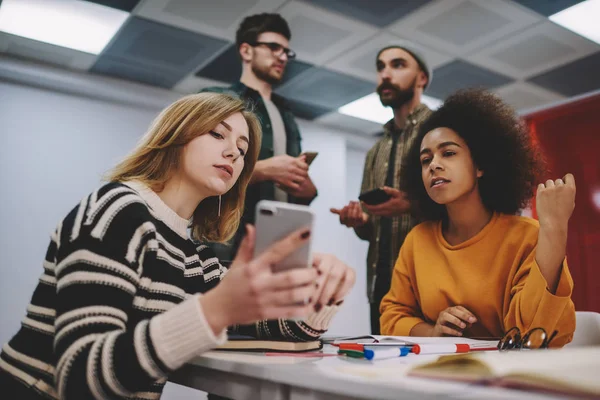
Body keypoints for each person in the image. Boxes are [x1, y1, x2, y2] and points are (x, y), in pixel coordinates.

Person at [0, 93, 355, 399]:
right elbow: (80, 379)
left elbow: (271, 327)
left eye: (243, 150)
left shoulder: (193, 255)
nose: (234, 153)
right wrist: (216, 309)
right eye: (218, 134)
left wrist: (321, 295)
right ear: (174, 136)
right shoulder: (119, 210)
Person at [380, 89, 576, 347]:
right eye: (425, 160)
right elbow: (392, 315)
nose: (433, 165)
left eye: (448, 153)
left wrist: (553, 229)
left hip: (510, 379)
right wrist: (432, 333)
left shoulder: (527, 236)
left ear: (481, 165)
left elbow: (532, 334)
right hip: (436, 375)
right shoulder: (417, 240)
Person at [330, 44, 433, 334]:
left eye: (398, 65)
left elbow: (467, 207)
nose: (385, 74)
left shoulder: (441, 132)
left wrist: (412, 204)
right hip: (381, 288)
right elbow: (370, 229)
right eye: (380, 67)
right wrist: (360, 221)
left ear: (421, 78)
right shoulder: (376, 150)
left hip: (430, 286)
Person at [202, 13, 317, 264]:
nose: (283, 56)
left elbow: (289, 188)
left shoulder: (287, 115)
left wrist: (306, 191)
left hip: (280, 246)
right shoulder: (216, 101)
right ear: (246, 51)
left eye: (287, 51)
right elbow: (198, 171)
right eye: (274, 47)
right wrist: (264, 170)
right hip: (226, 247)